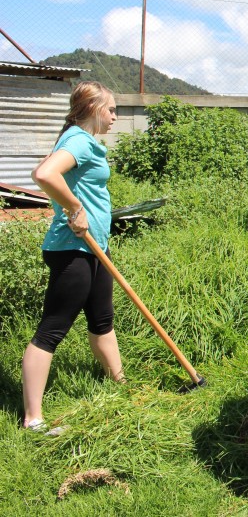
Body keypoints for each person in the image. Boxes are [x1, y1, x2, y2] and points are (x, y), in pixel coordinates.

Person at [22, 81, 125, 434]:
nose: (115, 116)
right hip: (72, 249)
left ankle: (120, 387)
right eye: (111, 109)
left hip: (94, 246)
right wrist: (74, 206)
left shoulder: (82, 140)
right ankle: (32, 418)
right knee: (52, 329)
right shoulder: (79, 140)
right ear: (94, 109)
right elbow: (44, 174)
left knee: (102, 321)